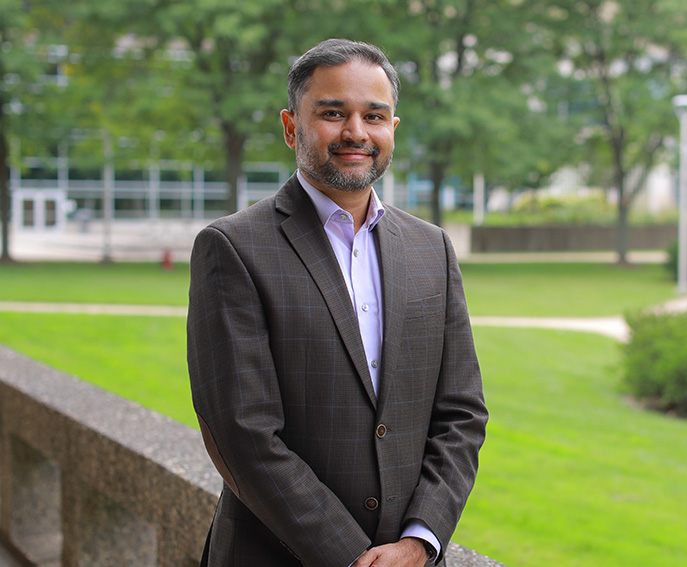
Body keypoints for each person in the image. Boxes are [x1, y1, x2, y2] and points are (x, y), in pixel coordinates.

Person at [187, 38, 488, 567]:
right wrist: (349, 557)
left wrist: (421, 540)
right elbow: (242, 433)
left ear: (392, 129)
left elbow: (460, 413)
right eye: (332, 113)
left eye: (374, 115)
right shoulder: (233, 247)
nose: (355, 132)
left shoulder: (432, 249)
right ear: (290, 127)